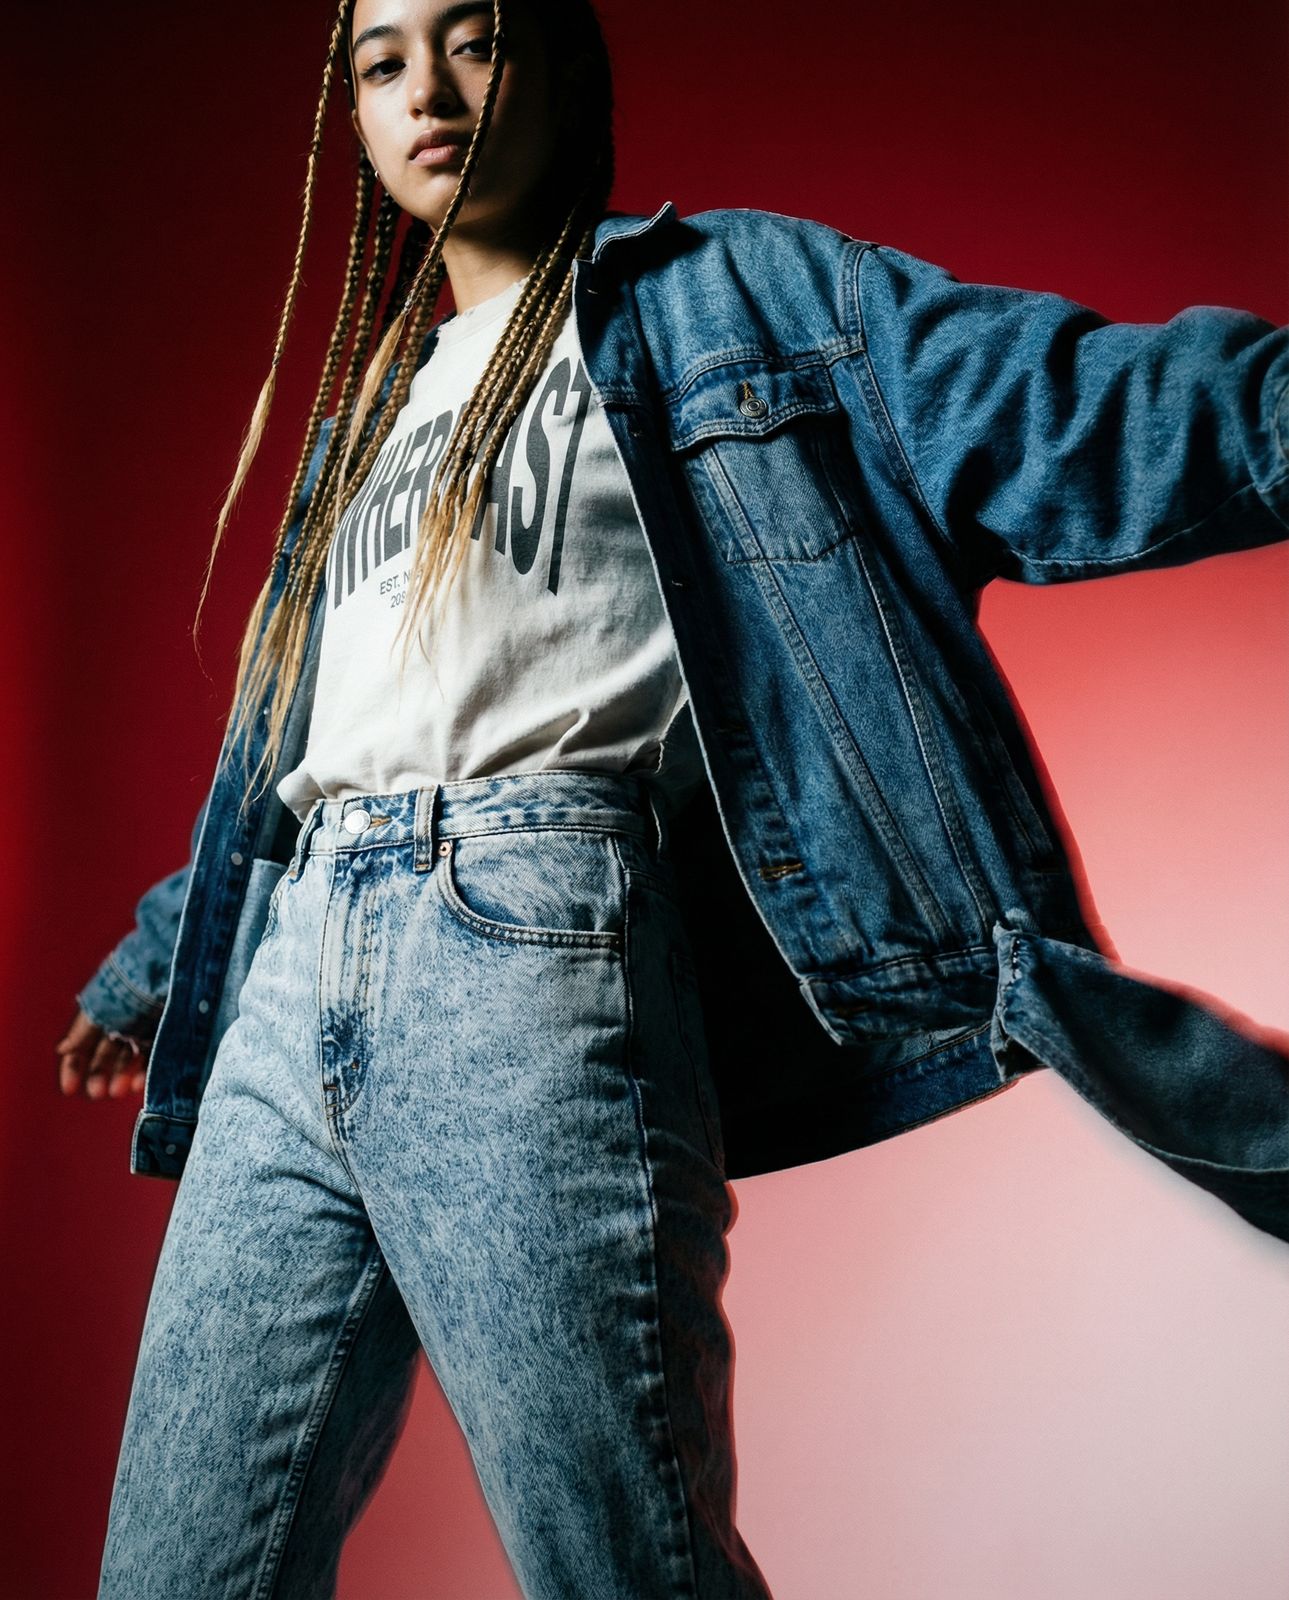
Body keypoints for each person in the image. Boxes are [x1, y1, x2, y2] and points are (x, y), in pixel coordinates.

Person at [58, 0, 1288, 1595]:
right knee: (174, 1571)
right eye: (380, 61)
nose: (427, 91)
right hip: (289, 990)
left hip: (526, 943)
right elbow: (312, 732)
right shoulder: (367, 418)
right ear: (345, 116)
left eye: (473, 40)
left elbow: (1056, 406)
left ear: (559, 66)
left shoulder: (725, 301)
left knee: (619, 1563)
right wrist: (161, 958)